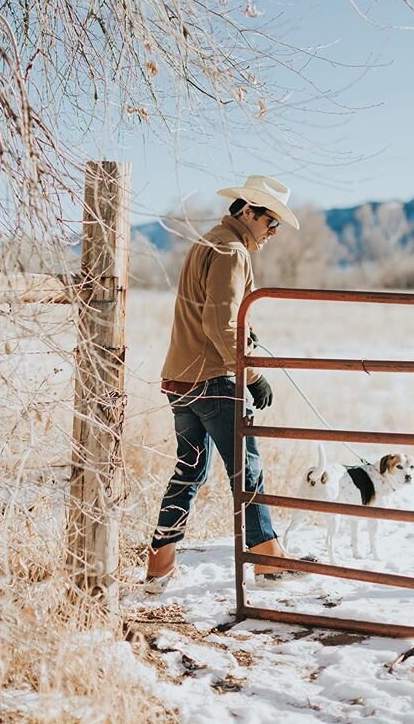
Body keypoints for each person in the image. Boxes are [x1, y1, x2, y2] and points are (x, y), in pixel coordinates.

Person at [145, 175, 301, 592]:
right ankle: (267, 558)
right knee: (246, 468)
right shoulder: (231, 252)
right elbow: (220, 323)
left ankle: (159, 564)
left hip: (182, 377)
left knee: (190, 470)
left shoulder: (208, 242)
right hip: (215, 380)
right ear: (248, 211)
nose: (273, 232)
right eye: (271, 222)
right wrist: (253, 374)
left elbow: (216, 316)